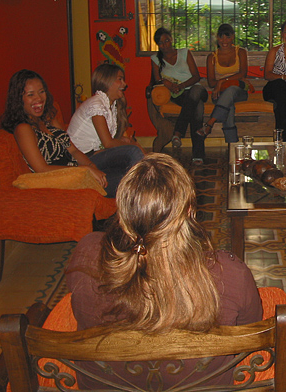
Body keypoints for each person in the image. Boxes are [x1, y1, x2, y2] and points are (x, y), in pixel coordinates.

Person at [66, 153, 263, 389]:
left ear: (123, 211)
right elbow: (250, 333)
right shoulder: (229, 272)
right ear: (189, 212)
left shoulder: (87, 253)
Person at [0, 69, 108, 190]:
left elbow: (73, 151)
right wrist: (84, 170)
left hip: (80, 175)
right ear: (19, 99)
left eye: (41, 92)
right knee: (127, 179)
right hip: (64, 182)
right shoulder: (23, 129)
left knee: (127, 165)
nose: (39, 99)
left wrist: (92, 166)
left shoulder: (49, 119)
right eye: (30, 95)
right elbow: (41, 169)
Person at [67, 63, 145, 197]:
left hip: (93, 156)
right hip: (82, 161)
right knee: (133, 151)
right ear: (107, 81)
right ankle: (146, 196)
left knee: (127, 176)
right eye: (119, 79)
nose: (124, 84)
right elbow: (108, 143)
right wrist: (131, 145)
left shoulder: (110, 105)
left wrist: (122, 140)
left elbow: (104, 141)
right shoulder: (96, 105)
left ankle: (140, 197)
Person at [151, 27, 208, 163]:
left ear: (171, 39)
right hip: (179, 95)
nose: (165, 45)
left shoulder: (184, 53)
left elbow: (196, 76)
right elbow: (157, 80)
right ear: (158, 45)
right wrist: (167, 83)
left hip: (196, 90)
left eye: (166, 41)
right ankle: (198, 155)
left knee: (195, 92)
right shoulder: (155, 59)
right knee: (197, 108)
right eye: (161, 43)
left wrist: (181, 85)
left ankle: (178, 132)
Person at [197, 24, 250, 143]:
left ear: (233, 37)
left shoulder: (240, 52)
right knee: (229, 107)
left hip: (239, 91)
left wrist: (221, 81)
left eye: (228, 37)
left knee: (231, 89)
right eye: (221, 37)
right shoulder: (212, 57)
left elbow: (242, 74)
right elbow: (211, 83)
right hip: (219, 94)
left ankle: (210, 123)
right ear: (217, 38)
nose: (224, 41)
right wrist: (219, 84)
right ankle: (232, 147)